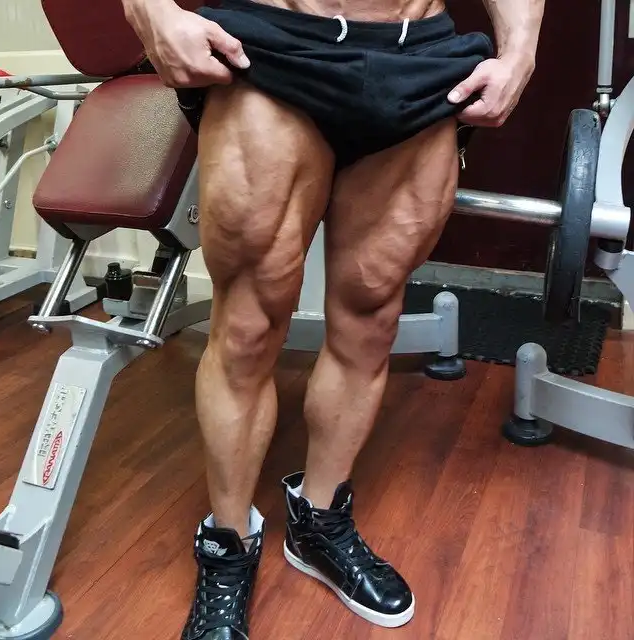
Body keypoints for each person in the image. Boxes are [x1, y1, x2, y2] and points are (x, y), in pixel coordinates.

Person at [122, 0, 545, 637]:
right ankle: (228, 543)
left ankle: (318, 519)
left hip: (419, 64)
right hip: (271, 53)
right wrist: (149, 10)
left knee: (373, 315)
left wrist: (521, 49)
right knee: (247, 326)